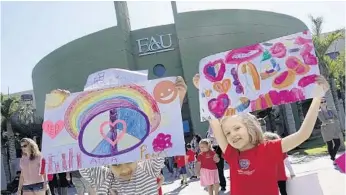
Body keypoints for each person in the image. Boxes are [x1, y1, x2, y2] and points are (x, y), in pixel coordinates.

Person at [193, 73, 329, 195]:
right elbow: (214, 122)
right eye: (227, 133)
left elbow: (302, 134)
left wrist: (317, 98)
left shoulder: (269, 148)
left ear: (249, 127)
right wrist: (204, 91)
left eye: (237, 128)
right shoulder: (232, 153)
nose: (232, 134)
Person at [77, 76, 187, 194]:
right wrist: (58, 106)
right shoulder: (104, 178)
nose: (124, 169)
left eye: (129, 161)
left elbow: (163, 135)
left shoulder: (148, 169)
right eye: (116, 164)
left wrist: (177, 100)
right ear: (107, 163)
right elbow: (79, 154)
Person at [318, 97, 341, 164]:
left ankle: (332, 156)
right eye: (321, 102)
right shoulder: (319, 112)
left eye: (324, 101)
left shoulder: (330, 110)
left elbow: (336, 118)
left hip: (333, 129)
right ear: (319, 104)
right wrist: (331, 120)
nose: (323, 103)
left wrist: (330, 120)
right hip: (326, 130)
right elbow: (324, 121)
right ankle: (333, 159)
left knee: (338, 143)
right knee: (330, 144)